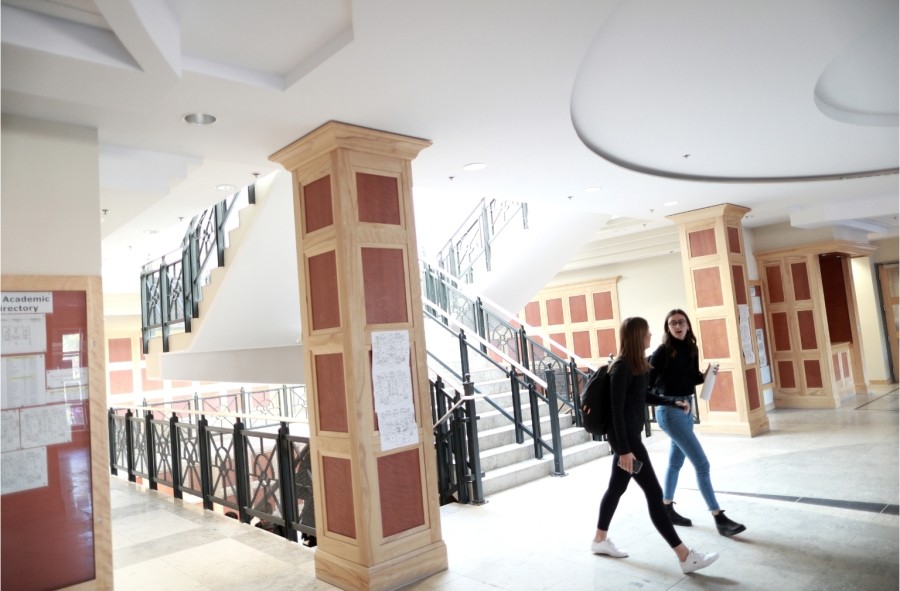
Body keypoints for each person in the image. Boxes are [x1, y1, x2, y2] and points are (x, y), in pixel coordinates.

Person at [592, 316, 719, 574]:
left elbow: (642, 396)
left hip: (629, 440)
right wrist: (624, 450)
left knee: (616, 489)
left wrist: (673, 402)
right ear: (637, 336)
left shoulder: (636, 366)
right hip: (627, 442)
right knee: (654, 494)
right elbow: (616, 412)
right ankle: (684, 556)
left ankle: (599, 540)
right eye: (647, 332)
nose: (651, 335)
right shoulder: (621, 368)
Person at [648, 308, 747, 537]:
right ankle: (718, 517)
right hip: (670, 412)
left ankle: (666, 507)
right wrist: (672, 403)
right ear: (668, 327)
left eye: (681, 322)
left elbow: (692, 378)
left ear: (688, 325)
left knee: (675, 463)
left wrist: (708, 375)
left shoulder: (691, 348)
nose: (678, 326)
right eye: (672, 323)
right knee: (702, 465)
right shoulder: (662, 351)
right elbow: (649, 385)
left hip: (686, 409)